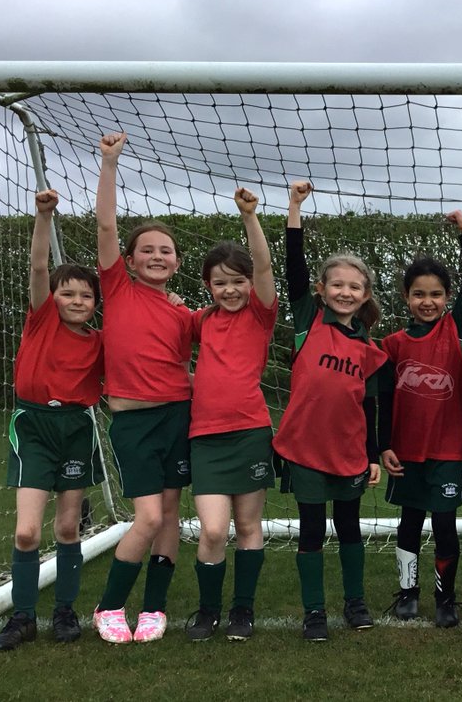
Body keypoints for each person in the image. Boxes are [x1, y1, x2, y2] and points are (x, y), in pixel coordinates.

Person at [0, 190, 104, 651]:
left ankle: (64, 611)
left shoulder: (100, 341)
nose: (76, 300)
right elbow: (39, 267)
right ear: (52, 297)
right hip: (34, 427)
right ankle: (22, 617)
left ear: (96, 301)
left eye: (85, 295)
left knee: (67, 527)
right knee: (26, 531)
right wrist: (43, 216)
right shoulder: (41, 321)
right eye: (67, 292)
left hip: (77, 429)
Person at [273, 181, 387, 642]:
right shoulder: (307, 320)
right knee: (312, 530)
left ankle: (355, 602)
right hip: (304, 450)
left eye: (354, 287)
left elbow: (370, 406)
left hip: (349, 453)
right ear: (321, 290)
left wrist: (375, 454)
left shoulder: (369, 348)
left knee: (350, 526)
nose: (345, 291)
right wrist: (294, 209)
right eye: (336, 284)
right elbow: (293, 268)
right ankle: (314, 611)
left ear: (364, 295)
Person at [92, 132, 195, 644]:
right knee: (148, 515)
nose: (157, 256)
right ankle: (109, 606)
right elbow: (106, 225)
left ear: (176, 262)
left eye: (166, 251)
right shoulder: (117, 288)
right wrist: (109, 163)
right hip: (133, 420)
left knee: (171, 514)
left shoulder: (184, 312)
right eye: (147, 250)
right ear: (129, 260)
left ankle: (153, 609)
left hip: (179, 416)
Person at [183, 188, 278, 642]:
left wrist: (249, 218)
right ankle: (207, 611)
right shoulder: (200, 321)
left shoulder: (261, 315)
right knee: (214, 530)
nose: (231, 289)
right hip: (205, 439)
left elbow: (263, 265)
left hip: (251, 433)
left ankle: (243, 610)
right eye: (220, 282)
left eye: (237, 280)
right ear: (208, 286)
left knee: (247, 526)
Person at [380, 209, 462, 628]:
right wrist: (382, 445)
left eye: (436, 294)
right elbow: (383, 401)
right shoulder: (391, 343)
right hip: (405, 452)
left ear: (446, 298)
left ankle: (444, 599)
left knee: (443, 524)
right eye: (419, 294)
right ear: (406, 297)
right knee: (409, 522)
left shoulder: (456, 328)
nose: (428, 302)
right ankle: (407, 593)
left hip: (447, 449)